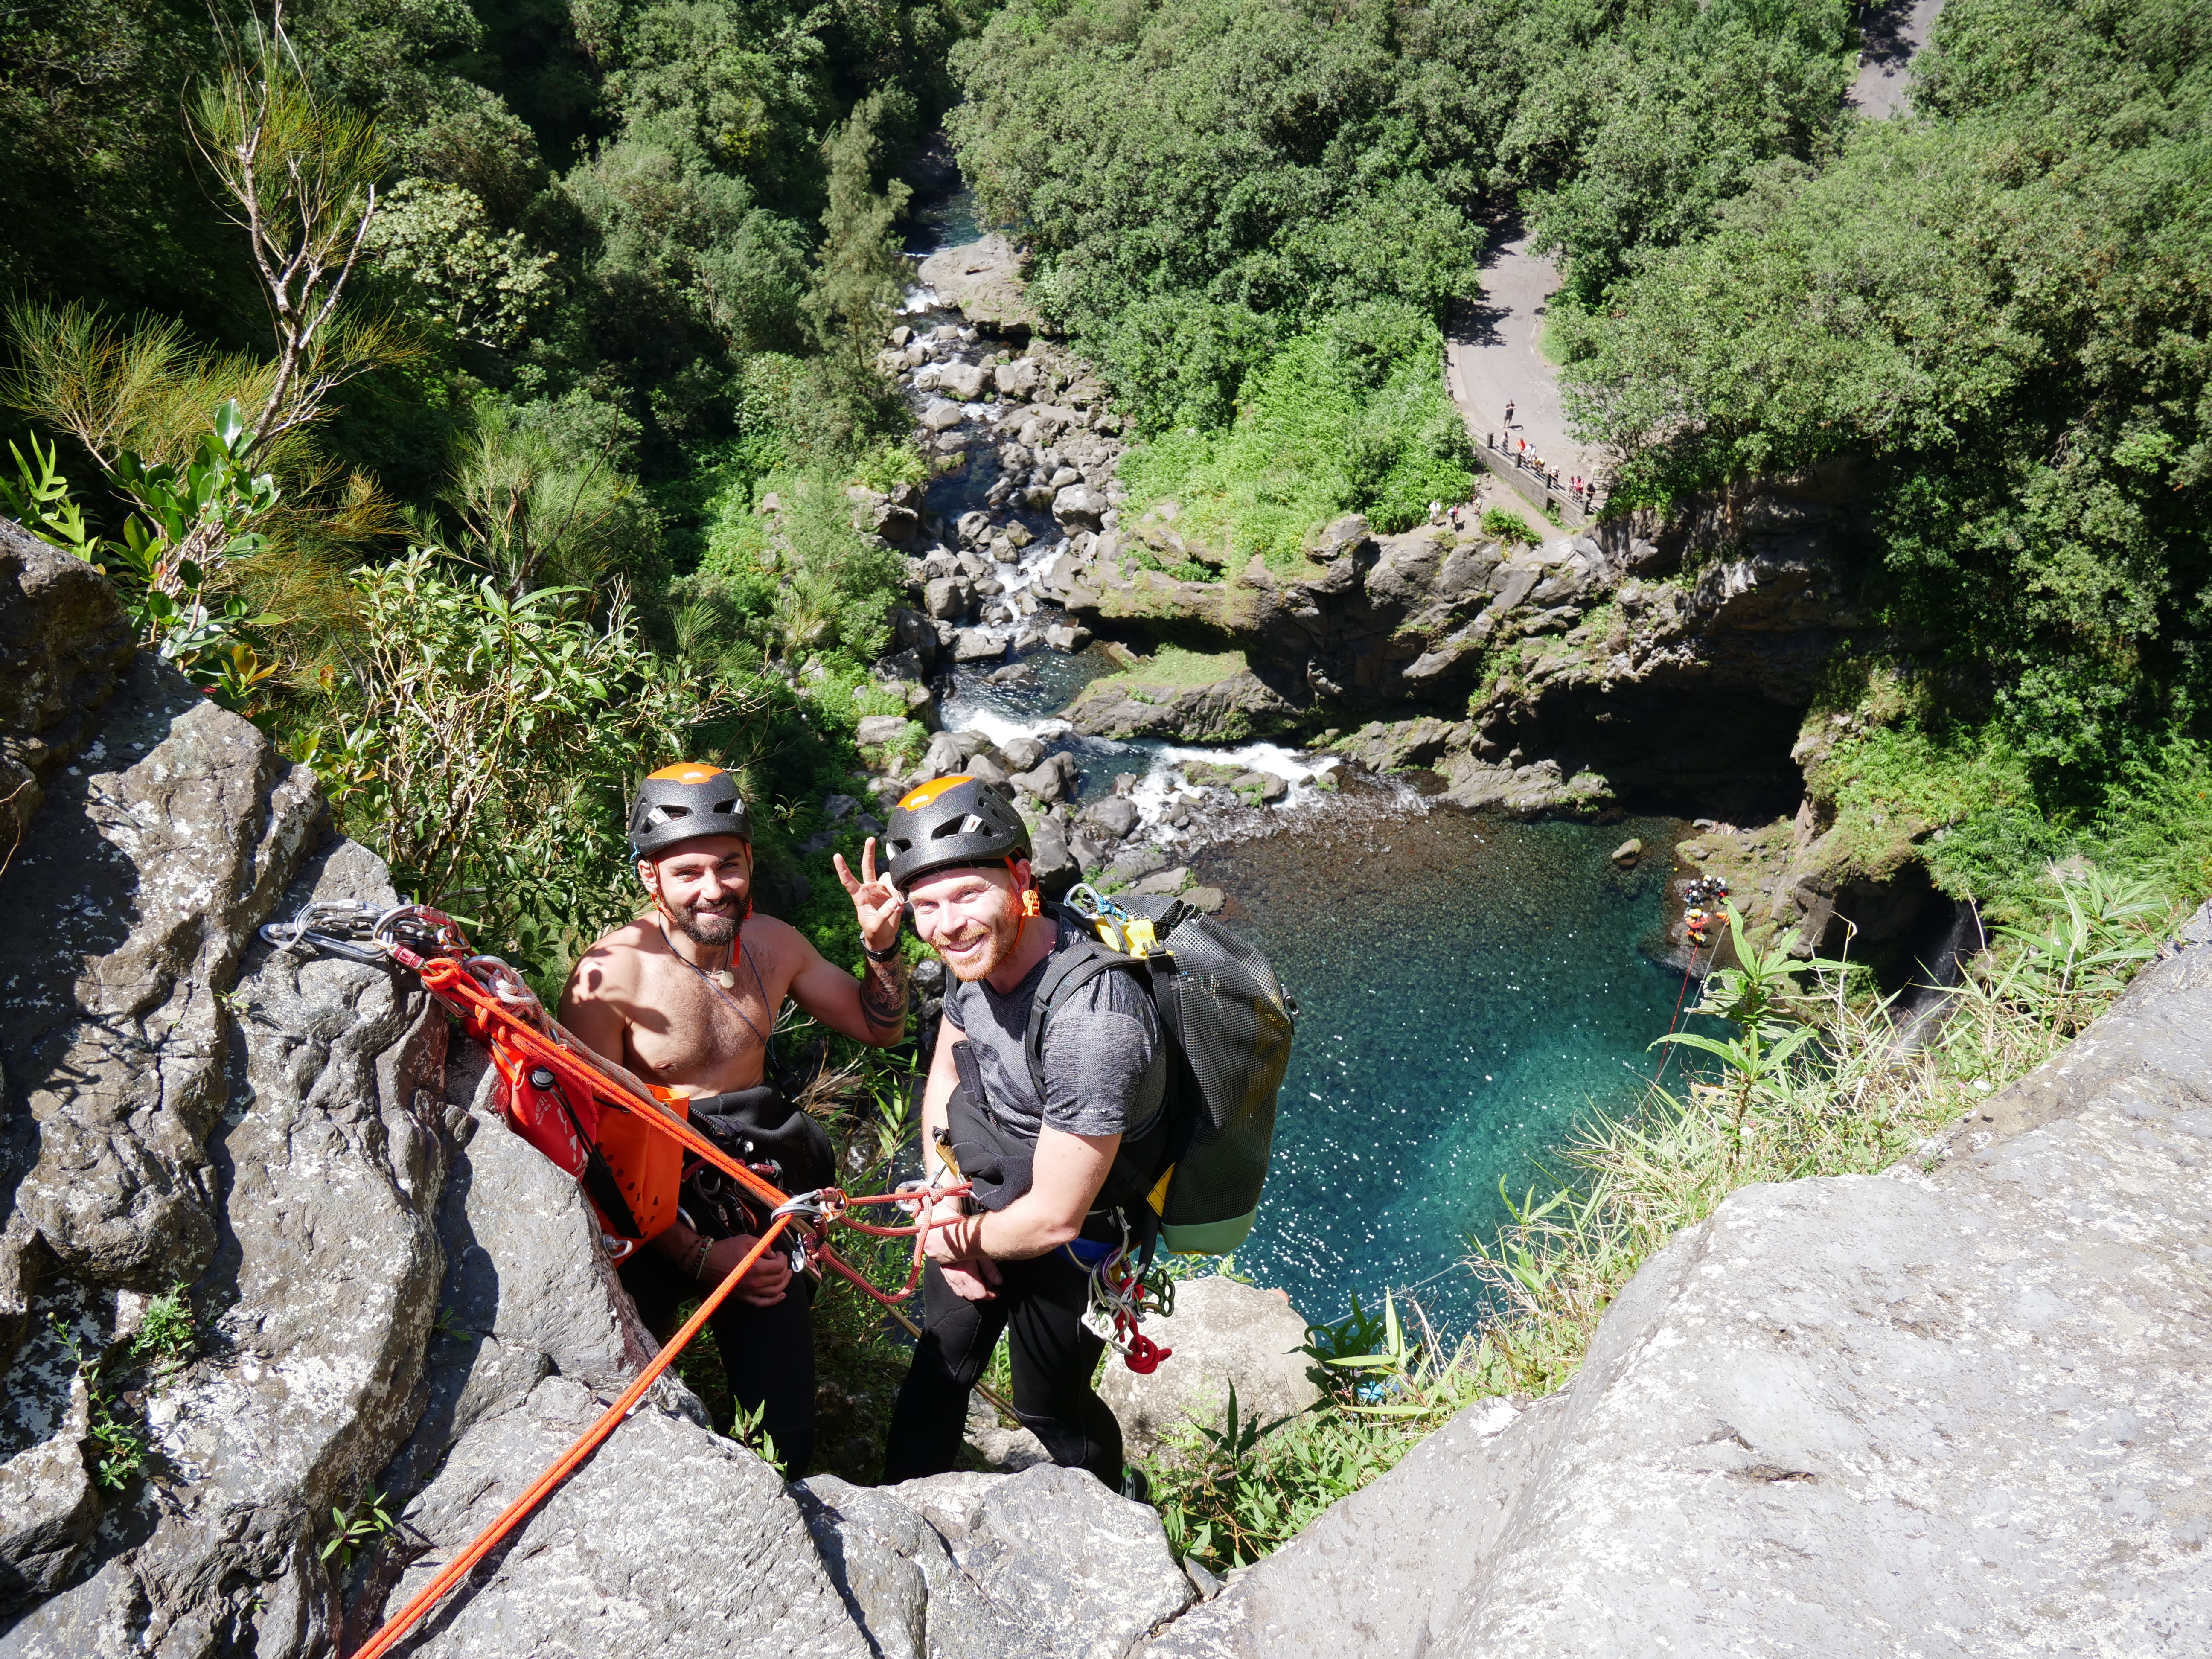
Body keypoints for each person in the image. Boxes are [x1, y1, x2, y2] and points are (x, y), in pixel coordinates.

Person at [560, 763, 908, 1475]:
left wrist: (880, 947)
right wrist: (694, 1253)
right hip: (648, 1203)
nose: (714, 888)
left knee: (785, 1433)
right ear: (649, 878)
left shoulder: (775, 946)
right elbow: (589, 1144)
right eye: (688, 872)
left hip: (750, 1191)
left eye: (728, 865)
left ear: (750, 861)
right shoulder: (611, 977)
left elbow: (880, 1028)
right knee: (612, 1401)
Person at [879, 775, 1167, 1493]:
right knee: (940, 1367)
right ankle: (902, 1513)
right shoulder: (969, 960)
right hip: (986, 1182)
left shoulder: (1092, 1020)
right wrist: (943, 1185)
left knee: (1050, 1408)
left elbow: (1057, 1215)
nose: (948, 926)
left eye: (969, 895)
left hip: (1082, 1230)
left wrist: (955, 1241)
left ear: (1020, 877)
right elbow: (950, 1058)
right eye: (927, 906)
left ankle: (1112, 1510)